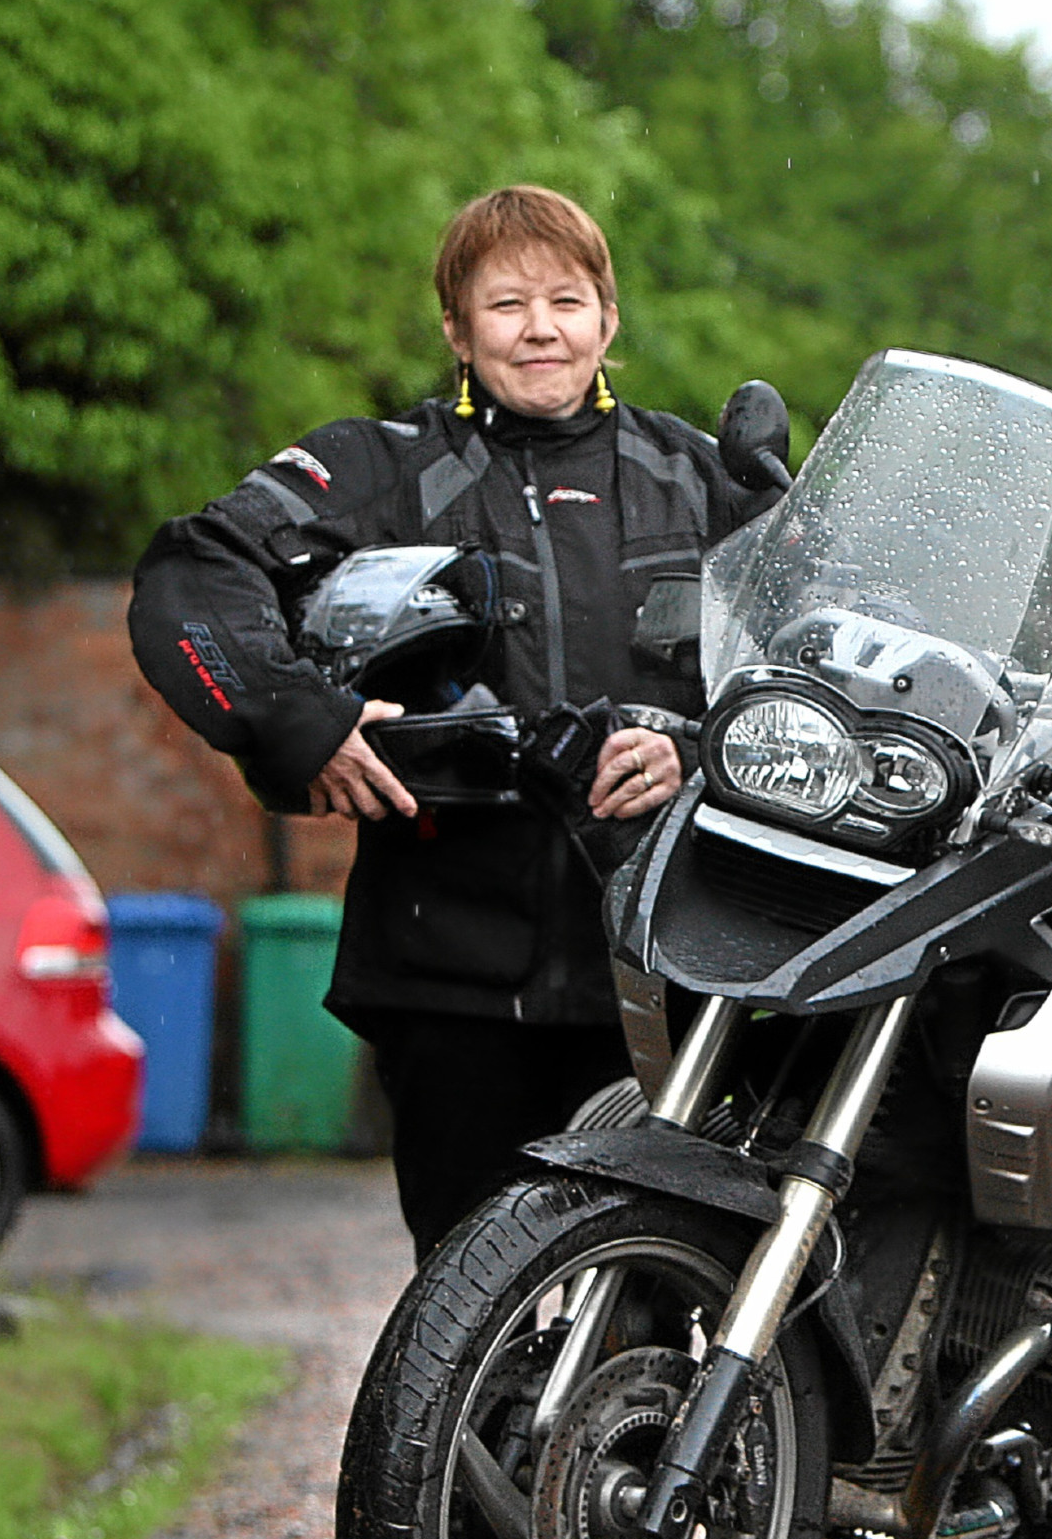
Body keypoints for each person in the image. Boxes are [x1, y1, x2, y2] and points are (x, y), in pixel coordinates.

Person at [130, 185, 775, 1260]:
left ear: (608, 320)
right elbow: (195, 573)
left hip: (661, 974)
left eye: (567, 300)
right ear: (456, 331)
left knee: (662, 1296)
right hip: (449, 978)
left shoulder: (700, 481)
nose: (540, 327)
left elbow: (803, 672)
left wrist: (693, 750)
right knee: (471, 1303)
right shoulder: (383, 468)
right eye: (507, 302)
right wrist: (306, 721)